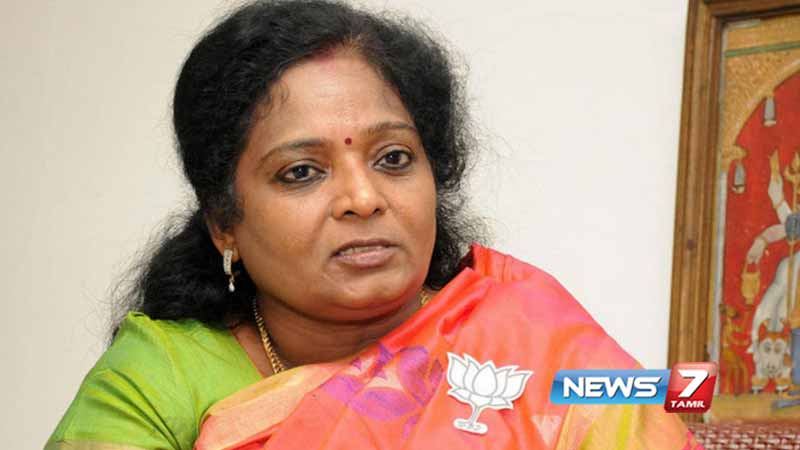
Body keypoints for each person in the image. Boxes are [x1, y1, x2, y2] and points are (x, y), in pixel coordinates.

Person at [46, 1, 702, 449]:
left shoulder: (529, 340)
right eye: (302, 171)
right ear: (224, 223)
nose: (363, 198)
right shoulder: (161, 376)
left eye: (393, 159)